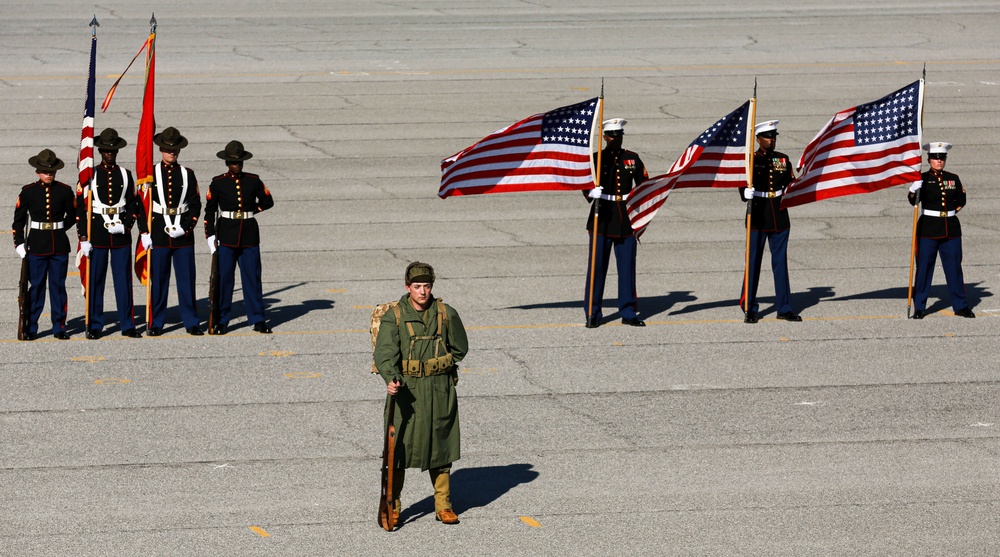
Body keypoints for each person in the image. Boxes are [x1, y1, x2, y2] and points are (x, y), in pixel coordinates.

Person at [374, 262, 468, 526]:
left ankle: (443, 505)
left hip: (440, 391)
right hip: (407, 391)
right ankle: (392, 504)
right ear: (408, 288)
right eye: (417, 286)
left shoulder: (446, 314)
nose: (423, 292)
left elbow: (460, 348)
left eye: (426, 286)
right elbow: (384, 354)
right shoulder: (394, 317)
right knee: (398, 450)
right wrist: (391, 377)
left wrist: (440, 365)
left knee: (442, 447)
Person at [136, 127, 203, 336]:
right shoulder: (150, 175)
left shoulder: (188, 174)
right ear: (160, 149)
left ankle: (191, 321)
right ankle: (156, 322)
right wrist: (144, 232)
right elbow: (141, 205)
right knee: (159, 281)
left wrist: (186, 227)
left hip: (183, 235)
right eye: (167, 149)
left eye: (174, 149)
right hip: (158, 233)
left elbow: (195, 204)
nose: (171, 153)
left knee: (187, 281)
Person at [77, 128, 143, 339]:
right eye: (106, 150)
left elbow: (133, 205)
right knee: (96, 281)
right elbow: (81, 208)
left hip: (120, 234)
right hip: (96, 232)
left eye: (113, 150)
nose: (110, 153)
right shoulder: (90, 175)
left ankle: (127, 324)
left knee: (123, 281)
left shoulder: (125, 174)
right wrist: (83, 237)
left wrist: (126, 225)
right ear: (99, 151)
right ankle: (95, 324)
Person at [203, 140, 275, 334]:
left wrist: (252, 210)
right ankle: (222, 320)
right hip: (226, 235)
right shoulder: (218, 182)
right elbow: (210, 210)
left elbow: (268, 201)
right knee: (224, 280)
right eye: (233, 162)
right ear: (227, 162)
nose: (237, 165)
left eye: (239, 162)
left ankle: (257, 318)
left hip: (249, 235)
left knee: (252, 279)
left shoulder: (253, 180)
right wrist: (210, 234)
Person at [583, 117, 649, 328]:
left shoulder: (632, 158)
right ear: (604, 137)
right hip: (602, 217)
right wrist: (590, 191)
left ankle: (628, 312)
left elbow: (644, 184)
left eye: (619, 135)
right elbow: (583, 181)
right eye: (612, 135)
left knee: (627, 269)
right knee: (597, 269)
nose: (616, 139)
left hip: (626, 219)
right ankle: (592, 312)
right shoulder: (595, 159)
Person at [738, 120, 801, 324]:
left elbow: (790, 185)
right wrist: (745, 193)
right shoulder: (750, 160)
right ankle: (749, 307)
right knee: (753, 263)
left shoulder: (782, 159)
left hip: (779, 216)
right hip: (758, 216)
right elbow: (741, 184)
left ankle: (784, 308)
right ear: (758, 139)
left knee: (780, 264)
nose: (771, 140)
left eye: (773, 137)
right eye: (767, 137)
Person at [12, 149, 77, 340]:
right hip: (37, 245)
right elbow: (19, 221)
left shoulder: (64, 191)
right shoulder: (28, 192)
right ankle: (31, 326)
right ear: (37, 172)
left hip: (59, 246)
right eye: (45, 171)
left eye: (52, 171)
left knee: (58, 287)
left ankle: (59, 326)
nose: (49, 174)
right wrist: (19, 243)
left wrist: (59, 228)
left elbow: (73, 215)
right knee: (37, 287)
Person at [908, 142, 974, 319]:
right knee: (924, 269)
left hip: (950, 229)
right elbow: (914, 202)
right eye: (935, 158)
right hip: (928, 229)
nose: (939, 161)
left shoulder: (953, 178)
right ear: (929, 160)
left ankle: (961, 306)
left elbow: (961, 200)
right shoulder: (922, 179)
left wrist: (948, 214)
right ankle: (920, 307)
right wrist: (913, 190)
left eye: (942, 158)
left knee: (954, 269)